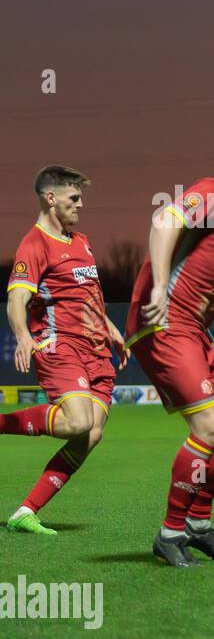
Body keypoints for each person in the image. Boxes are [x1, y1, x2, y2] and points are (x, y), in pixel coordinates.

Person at [123, 130, 214, 566]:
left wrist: (210, 345)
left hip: (192, 332)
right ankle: (170, 533)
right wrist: (157, 290)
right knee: (209, 426)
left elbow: (196, 281)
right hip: (164, 324)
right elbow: (165, 221)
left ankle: (198, 524)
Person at [2, 165, 128, 535]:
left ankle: (25, 512)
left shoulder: (82, 241)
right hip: (61, 347)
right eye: (74, 198)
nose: (81, 204)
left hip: (97, 352)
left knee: (90, 434)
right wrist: (24, 336)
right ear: (50, 198)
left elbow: (87, 296)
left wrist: (111, 329)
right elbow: (16, 300)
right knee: (77, 421)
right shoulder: (34, 244)